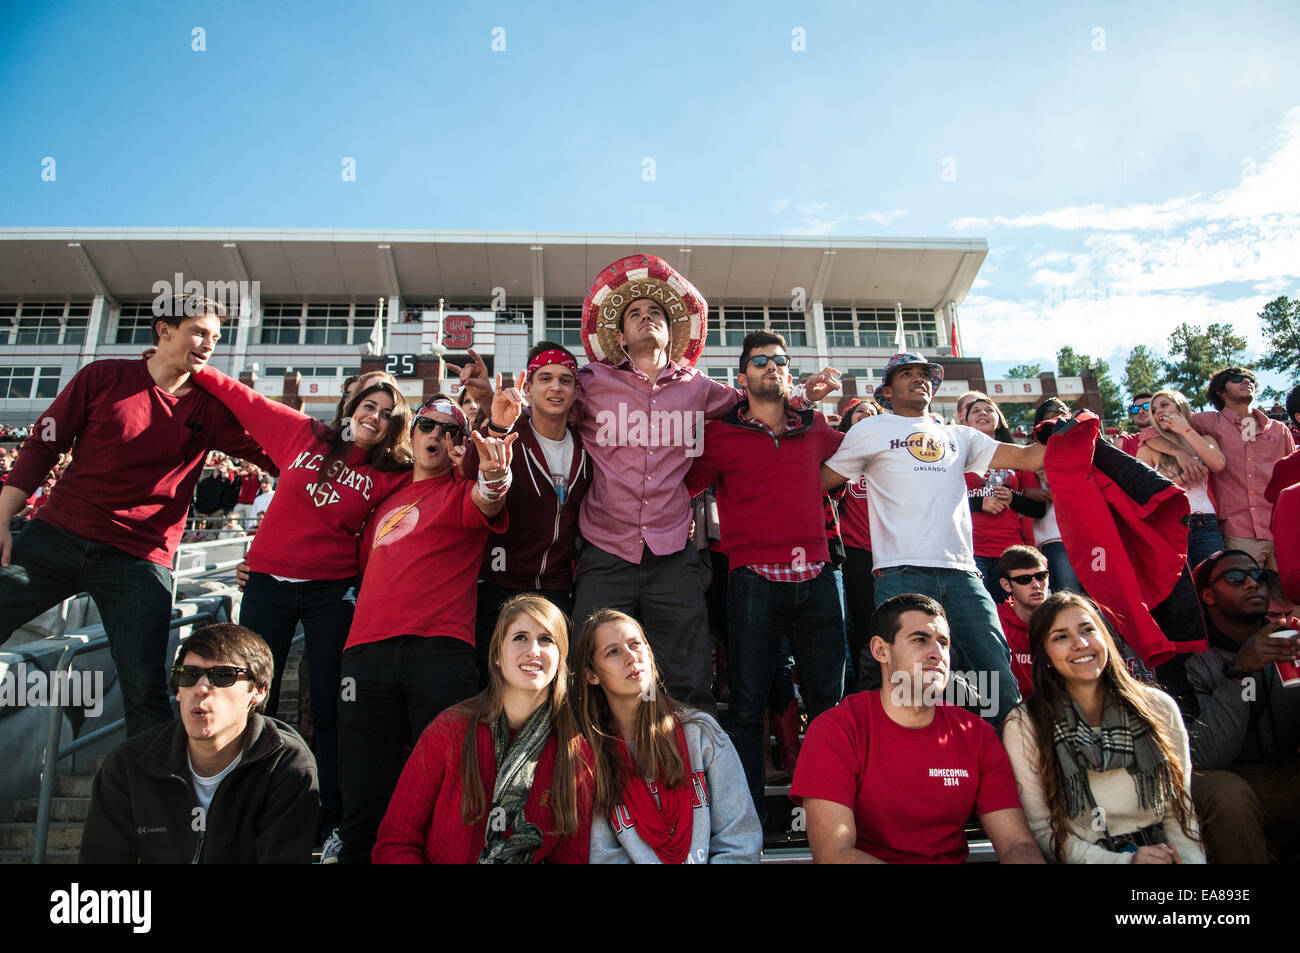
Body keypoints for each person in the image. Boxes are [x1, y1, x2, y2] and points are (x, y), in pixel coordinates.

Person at [456, 255, 840, 711]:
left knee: (688, 674)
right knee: (586, 672)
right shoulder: (591, 381)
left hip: (673, 552)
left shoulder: (700, 388)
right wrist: (485, 400)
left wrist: (799, 394)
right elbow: (543, 414)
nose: (645, 318)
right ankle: (595, 776)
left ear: (670, 332)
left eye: (655, 313)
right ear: (620, 336)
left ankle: (692, 773)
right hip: (604, 549)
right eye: (634, 314)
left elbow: (750, 406)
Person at [0, 295, 271, 736]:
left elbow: (281, 455)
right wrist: (2, 520)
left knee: (146, 690)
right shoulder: (103, 376)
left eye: (217, 338)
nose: (208, 345)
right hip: (57, 536)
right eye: (199, 332)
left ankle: (148, 798)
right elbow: (43, 445)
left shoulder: (211, 408)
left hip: (138, 559)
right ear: (164, 330)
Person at [186, 364, 412, 851]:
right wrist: (193, 364)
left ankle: (331, 820)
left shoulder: (391, 474)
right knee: (242, 697)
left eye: (388, 415)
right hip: (266, 585)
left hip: (332, 593)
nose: (375, 417)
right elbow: (245, 400)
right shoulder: (303, 435)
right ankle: (237, 811)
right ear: (351, 407)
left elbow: (442, 476)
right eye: (369, 406)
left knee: (331, 706)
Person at [821, 353, 1047, 726]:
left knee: (996, 679)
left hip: (963, 575)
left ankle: (1006, 773)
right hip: (900, 573)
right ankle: (916, 774)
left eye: (924, 373)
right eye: (906, 374)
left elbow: (1030, 458)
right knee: (909, 686)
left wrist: (1069, 430)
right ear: (888, 391)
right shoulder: (869, 431)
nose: (918, 379)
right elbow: (820, 482)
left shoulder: (959, 435)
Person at [335, 398, 513, 863]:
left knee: (454, 781)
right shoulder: (382, 503)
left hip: (439, 650)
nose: (436, 436)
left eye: (450, 431)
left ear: (458, 446)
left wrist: (494, 475)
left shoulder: (461, 493)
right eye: (427, 426)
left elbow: (490, 496)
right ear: (411, 435)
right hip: (365, 653)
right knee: (362, 785)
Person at [685, 330, 847, 815]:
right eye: (759, 361)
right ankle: (746, 825)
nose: (770, 367)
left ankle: (834, 815)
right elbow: (681, 483)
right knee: (749, 706)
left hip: (817, 578)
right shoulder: (719, 434)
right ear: (742, 377)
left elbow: (861, 459)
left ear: (788, 373)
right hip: (752, 579)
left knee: (829, 705)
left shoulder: (815, 427)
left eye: (779, 360)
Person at [791, 593, 1044, 863]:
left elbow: (1016, 843)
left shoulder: (977, 734)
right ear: (880, 650)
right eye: (920, 640)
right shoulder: (836, 730)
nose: (937, 654)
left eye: (943, 643)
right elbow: (834, 853)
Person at [371, 594, 594, 863]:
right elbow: (396, 842)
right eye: (520, 637)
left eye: (546, 639)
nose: (533, 650)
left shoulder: (575, 754)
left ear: (561, 659)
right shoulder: (449, 731)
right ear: (498, 655)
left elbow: (571, 858)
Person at [79, 623, 319, 863]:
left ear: (258, 690)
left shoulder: (287, 766)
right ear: (178, 692)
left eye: (223, 676)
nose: (202, 688)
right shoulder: (129, 765)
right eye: (189, 675)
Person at [1001, 592, 1203, 863]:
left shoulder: (1158, 706)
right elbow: (1043, 830)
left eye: (1087, 630)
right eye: (1061, 637)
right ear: (1045, 655)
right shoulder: (1025, 724)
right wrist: (1125, 862)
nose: (1080, 643)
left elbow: (1181, 811)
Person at [576, 608, 762, 863]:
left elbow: (739, 840)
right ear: (592, 675)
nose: (631, 657)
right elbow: (602, 855)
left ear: (650, 654)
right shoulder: (589, 754)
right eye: (613, 652)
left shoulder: (701, 732)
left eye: (635, 644)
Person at [462, 342, 592, 688]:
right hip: (498, 585)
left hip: (556, 589)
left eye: (565, 380)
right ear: (528, 387)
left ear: (577, 390)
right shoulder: (509, 431)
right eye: (545, 378)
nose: (555, 387)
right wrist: (495, 426)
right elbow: (470, 475)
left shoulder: (586, 445)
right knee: (494, 688)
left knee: (551, 690)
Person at [1171, 550, 1300, 862]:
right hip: (1224, 778)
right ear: (1207, 595)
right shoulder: (1191, 659)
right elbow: (1206, 757)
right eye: (1235, 577)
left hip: (1284, 774)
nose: (1251, 584)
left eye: (1258, 576)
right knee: (1228, 794)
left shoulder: (1287, 640)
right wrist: (1239, 673)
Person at [1145, 367, 1295, 570]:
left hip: (1281, 530)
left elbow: (1293, 479)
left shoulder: (1279, 430)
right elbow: (1151, 434)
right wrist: (1179, 453)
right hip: (1236, 533)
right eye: (1236, 379)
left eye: (1249, 378)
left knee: (1291, 598)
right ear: (1221, 392)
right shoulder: (1207, 422)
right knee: (1242, 597)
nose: (1245, 381)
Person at [957, 391, 1046, 602]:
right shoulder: (956, 458)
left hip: (1010, 550)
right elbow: (940, 502)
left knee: (1013, 613)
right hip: (970, 549)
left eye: (989, 409)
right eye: (975, 410)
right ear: (966, 422)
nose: (982, 413)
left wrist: (1013, 498)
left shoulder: (1019, 458)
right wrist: (978, 503)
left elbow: (1038, 510)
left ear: (998, 421)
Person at [1136, 389, 1226, 568]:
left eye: (1164, 405)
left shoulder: (1204, 438)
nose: (1158, 411)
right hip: (1170, 524)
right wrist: (1180, 479)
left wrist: (1185, 430)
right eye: (1154, 410)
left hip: (1206, 522)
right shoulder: (1148, 448)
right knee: (1184, 587)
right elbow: (1142, 491)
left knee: (1215, 580)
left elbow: (1218, 465)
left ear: (1180, 407)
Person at [837, 399, 881, 687]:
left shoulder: (889, 451)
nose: (867, 414)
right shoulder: (840, 451)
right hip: (855, 551)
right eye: (861, 411)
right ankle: (863, 690)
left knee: (888, 623)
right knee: (862, 624)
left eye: (874, 412)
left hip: (890, 551)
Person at [996, 545, 1050, 699]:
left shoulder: (1062, 620)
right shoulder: (994, 622)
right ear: (1006, 585)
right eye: (1024, 579)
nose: (1036, 585)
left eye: (1041, 576)